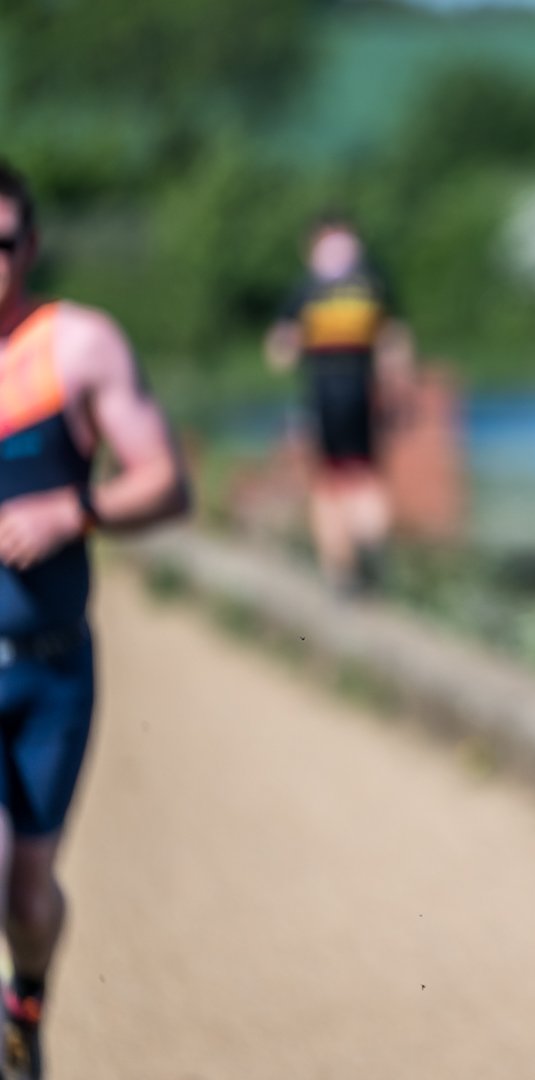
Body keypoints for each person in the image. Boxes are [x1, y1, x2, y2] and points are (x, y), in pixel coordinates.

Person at [0, 160, 191, 1080]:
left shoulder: (77, 347)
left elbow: (164, 480)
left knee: (28, 894)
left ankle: (23, 1012)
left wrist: (68, 512)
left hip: (50, 667)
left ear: (28, 247)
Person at [263, 215, 413, 595]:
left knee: (328, 484)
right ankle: (370, 540)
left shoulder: (306, 290)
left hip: (321, 395)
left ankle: (339, 571)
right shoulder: (373, 285)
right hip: (364, 393)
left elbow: (280, 353)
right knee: (365, 474)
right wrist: (397, 388)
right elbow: (396, 345)